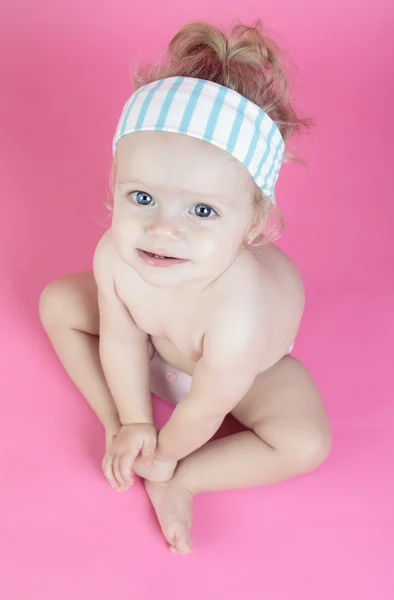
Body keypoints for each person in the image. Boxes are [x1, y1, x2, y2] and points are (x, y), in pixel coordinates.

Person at [39, 20, 332, 555]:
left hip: (242, 378)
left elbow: (205, 408)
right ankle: (115, 426)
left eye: (202, 210)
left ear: (251, 227)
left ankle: (185, 481)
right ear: (115, 183)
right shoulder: (116, 257)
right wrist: (131, 419)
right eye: (142, 198)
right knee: (57, 302)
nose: (164, 230)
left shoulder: (237, 314)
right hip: (153, 349)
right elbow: (123, 337)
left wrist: (167, 455)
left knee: (305, 442)